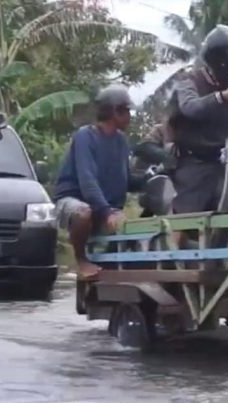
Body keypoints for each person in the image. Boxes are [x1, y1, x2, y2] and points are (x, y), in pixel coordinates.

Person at [53, 84, 139, 279]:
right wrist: (107, 211)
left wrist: (154, 179)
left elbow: (126, 179)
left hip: (102, 206)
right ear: (115, 111)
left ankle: (109, 265)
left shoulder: (121, 141)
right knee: (83, 212)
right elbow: (87, 181)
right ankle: (81, 260)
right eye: (127, 111)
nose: (130, 116)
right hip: (73, 201)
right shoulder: (85, 136)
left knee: (132, 228)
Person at [165, 24, 228, 215]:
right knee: (187, 217)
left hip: (224, 162)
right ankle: (176, 234)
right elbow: (190, 107)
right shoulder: (189, 80)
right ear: (224, 60)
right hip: (194, 162)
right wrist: (221, 98)